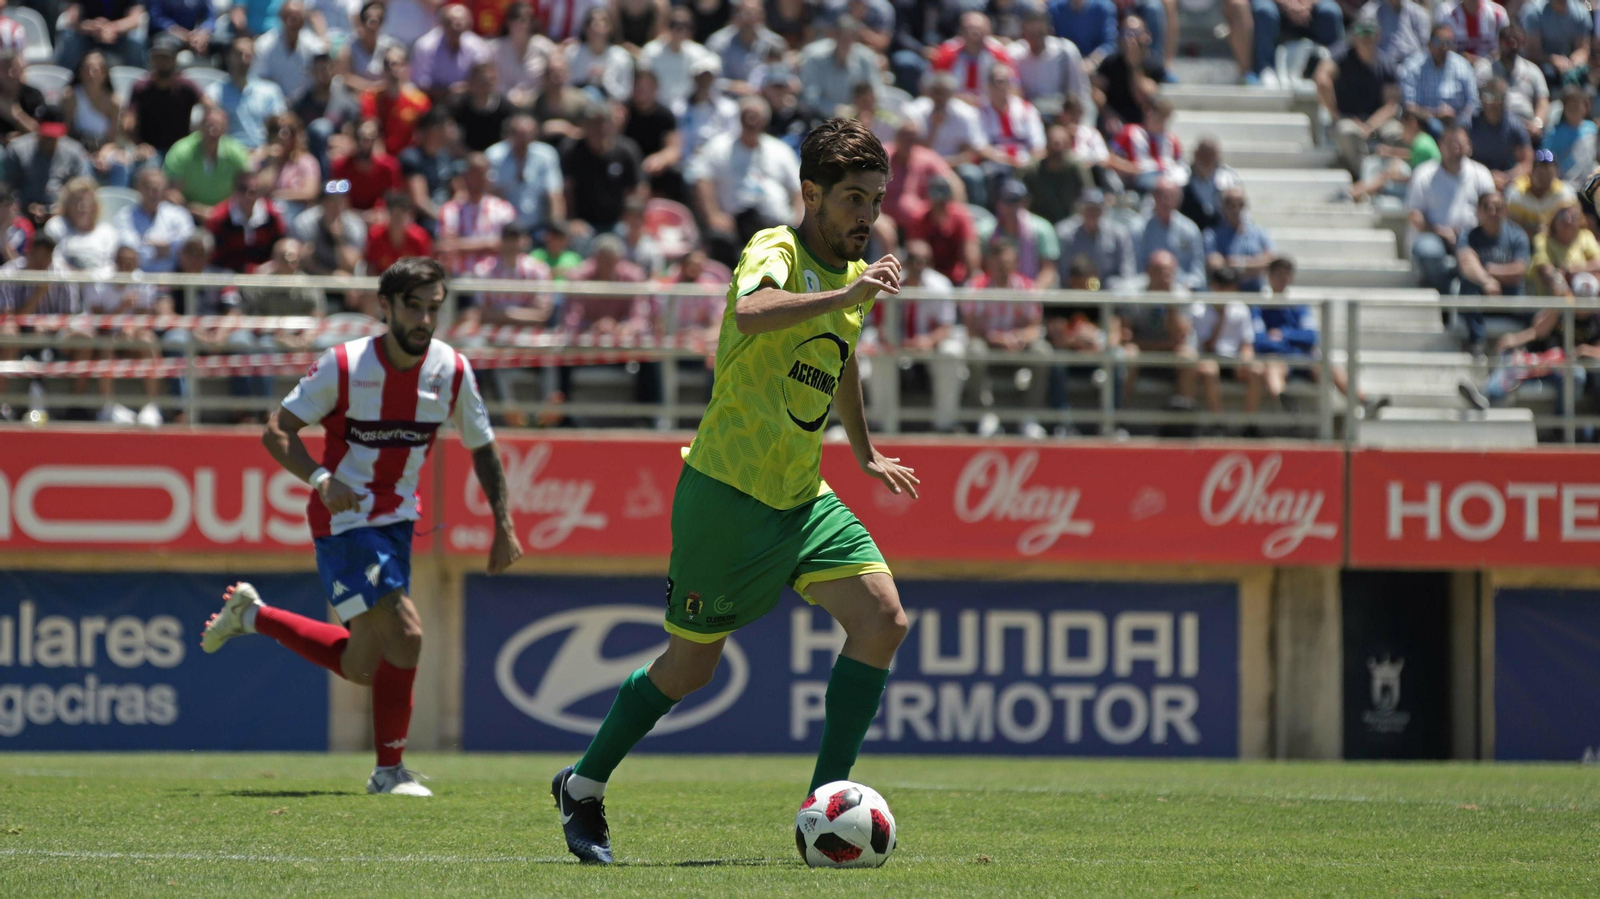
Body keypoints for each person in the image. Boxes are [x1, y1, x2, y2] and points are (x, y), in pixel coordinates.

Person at [551, 118, 916, 864]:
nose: (867, 215)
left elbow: (841, 356)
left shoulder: (853, 277)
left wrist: (865, 451)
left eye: (876, 200)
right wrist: (845, 293)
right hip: (726, 492)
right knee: (691, 668)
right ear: (811, 194)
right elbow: (751, 312)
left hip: (802, 495)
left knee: (883, 620)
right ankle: (582, 785)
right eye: (852, 198)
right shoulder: (774, 248)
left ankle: (824, 805)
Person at [201, 256, 524, 797]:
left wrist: (504, 524)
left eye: (434, 308)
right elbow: (276, 431)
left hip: (398, 522)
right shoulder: (344, 365)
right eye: (413, 307)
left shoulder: (452, 370)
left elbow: (483, 447)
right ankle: (389, 772)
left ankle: (253, 615)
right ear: (385, 307)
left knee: (361, 664)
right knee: (408, 632)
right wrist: (321, 478)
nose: (425, 319)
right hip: (344, 519)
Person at [685, 96, 801, 266]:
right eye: (747, 114)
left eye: (756, 116)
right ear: (739, 117)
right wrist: (713, 214)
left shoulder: (780, 150)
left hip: (776, 225)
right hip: (735, 227)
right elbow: (702, 179)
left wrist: (798, 221)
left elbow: (798, 189)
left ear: (765, 120)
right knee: (718, 242)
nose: (751, 120)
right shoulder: (719, 147)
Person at [965, 235, 1051, 437]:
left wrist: (1019, 337)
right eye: (998, 264)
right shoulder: (976, 287)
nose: (1003, 268)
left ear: (1016, 263)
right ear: (990, 263)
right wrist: (996, 338)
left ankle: (1030, 417)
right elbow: (971, 328)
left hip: (1018, 346)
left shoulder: (1028, 287)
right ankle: (985, 416)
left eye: (1007, 263)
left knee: (1043, 351)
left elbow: (1035, 327)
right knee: (974, 350)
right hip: (988, 344)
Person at [1406, 123, 1495, 293]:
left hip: (1472, 237)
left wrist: (1471, 234)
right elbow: (1414, 216)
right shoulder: (1423, 174)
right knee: (1428, 252)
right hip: (1433, 236)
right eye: (1450, 144)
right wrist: (1439, 231)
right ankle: (1444, 294)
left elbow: (1492, 209)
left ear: (1469, 147)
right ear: (1440, 146)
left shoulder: (1481, 174)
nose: (1455, 148)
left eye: (1459, 144)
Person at [1316, 16, 1401, 177]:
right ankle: (1365, 177)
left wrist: (1369, 126)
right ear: (1354, 36)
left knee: (1396, 132)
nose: (1365, 37)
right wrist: (1336, 116)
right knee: (1346, 131)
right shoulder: (1341, 55)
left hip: (1376, 120)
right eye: (1361, 32)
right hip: (1347, 118)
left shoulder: (1386, 64)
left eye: (1370, 32)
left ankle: (1389, 176)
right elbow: (1321, 80)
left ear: (1378, 36)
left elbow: (1391, 105)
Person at [1457, 189, 1530, 353]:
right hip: (1481, 299)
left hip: (1511, 299)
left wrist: (1489, 269)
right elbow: (1466, 262)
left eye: (1498, 207)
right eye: (1486, 207)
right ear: (1478, 211)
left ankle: (1532, 351)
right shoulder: (1469, 236)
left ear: (1506, 211)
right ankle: (1476, 344)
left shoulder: (1517, 235)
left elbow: (1519, 270)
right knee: (1468, 287)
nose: (1492, 212)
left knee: (1540, 309)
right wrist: (1486, 281)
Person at [561, 101, 644, 235]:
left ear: (611, 125)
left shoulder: (627, 150)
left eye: (602, 123)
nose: (597, 129)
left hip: (618, 222)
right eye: (592, 124)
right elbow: (566, 190)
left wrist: (629, 219)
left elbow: (637, 190)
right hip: (583, 223)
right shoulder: (571, 151)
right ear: (584, 126)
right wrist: (571, 220)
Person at [2, 104, 92, 218]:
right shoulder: (17, 150)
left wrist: (63, 208)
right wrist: (25, 206)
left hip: (64, 216)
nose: (50, 139)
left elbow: (83, 187)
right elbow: (7, 188)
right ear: (38, 127)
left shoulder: (74, 151)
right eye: (46, 134)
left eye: (54, 135)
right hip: (23, 215)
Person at [163, 106, 253, 219]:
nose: (213, 131)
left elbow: (248, 185)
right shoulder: (181, 152)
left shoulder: (236, 152)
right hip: (187, 215)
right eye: (208, 125)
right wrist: (193, 210)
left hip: (226, 217)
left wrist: (219, 213)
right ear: (199, 127)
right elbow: (172, 192)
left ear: (226, 128)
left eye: (219, 126)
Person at [127, 36, 205, 161]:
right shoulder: (141, 88)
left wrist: (197, 138)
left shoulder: (186, 86)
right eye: (158, 57)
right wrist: (139, 145)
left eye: (166, 58)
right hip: (150, 152)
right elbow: (128, 124)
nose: (162, 62)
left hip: (181, 151)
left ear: (174, 60)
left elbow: (210, 107)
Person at [438, 151, 516, 274]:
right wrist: (488, 244)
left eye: (482, 174)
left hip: (494, 278)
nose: (479, 179)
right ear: (465, 177)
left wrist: (461, 245)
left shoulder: (503, 209)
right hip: (460, 278)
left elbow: (511, 244)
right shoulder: (449, 210)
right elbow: (446, 246)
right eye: (474, 174)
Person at [486, 112, 564, 232]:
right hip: (504, 229)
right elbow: (492, 195)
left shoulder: (546, 155)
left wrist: (556, 228)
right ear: (508, 134)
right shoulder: (494, 155)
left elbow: (555, 195)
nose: (523, 139)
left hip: (539, 227)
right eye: (518, 134)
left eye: (528, 134)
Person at [1399, 24, 1479, 134]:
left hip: (1457, 126)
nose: (1443, 47)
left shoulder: (1463, 66)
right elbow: (1409, 106)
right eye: (1438, 42)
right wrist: (1436, 114)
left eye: (1448, 43)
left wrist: (1458, 121)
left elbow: (1473, 103)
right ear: (1429, 44)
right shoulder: (1413, 67)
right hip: (1422, 127)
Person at [207, 170, 290, 273]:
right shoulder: (219, 218)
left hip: (265, 274)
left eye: (252, 191)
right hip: (226, 274)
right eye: (242, 189)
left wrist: (271, 266)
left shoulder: (272, 216)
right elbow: (213, 257)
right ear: (234, 191)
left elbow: (280, 247)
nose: (247, 195)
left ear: (259, 193)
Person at [115, 166, 193, 273]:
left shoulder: (179, 215)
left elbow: (187, 245)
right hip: (138, 277)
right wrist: (165, 248)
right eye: (148, 188)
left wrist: (146, 243)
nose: (153, 193)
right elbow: (128, 249)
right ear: (139, 189)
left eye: (157, 189)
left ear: (165, 190)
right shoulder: (125, 216)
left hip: (173, 277)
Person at [797, 15, 882, 113]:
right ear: (834, 36)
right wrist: (835, 109)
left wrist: (857, 110)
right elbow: (810, 97)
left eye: (851, 38)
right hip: (820, 117)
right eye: (842, 36)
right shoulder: (814, 57)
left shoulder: (866, 59)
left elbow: (876, 93)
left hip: (856, 117)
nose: (846, 42)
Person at [1010, 6, 1089, 109]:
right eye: (1031, 34)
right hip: (1028, 113)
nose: (1035, 39)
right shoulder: (1015, 54)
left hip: (1060, 112)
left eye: (1039, 34)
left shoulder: (1065, 51)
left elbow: (1080, 93)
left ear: (1049, 31)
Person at [639, 5, 717, 109]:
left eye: (685, 26)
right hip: (657, 108)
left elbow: (714, 68)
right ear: (666, 26)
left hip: (687, 109)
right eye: (674, 24)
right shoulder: (651, 51)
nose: (679, 30)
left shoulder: (698, 52)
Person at [1477, 24, 1547, 139]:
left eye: (1518, 42)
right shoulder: (1485, 69)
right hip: (1496, 126)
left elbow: (1543, 99)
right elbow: (1481, 101)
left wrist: (1537, 123)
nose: (1513, 46)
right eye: (1509, 42)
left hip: (1528, 126)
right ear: (1499, 42)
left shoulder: (1532, 70)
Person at [411, 3, 492, 101]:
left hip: (470, 101)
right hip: (435, 102)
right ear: (441, 23)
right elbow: (421, 86)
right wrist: (448, 92)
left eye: (459, 23)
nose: (454, 27)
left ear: (469, 23)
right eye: (449, 22)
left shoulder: (478, 47)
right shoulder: (425, 46)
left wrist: (465, 89)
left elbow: (485, 79)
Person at [253, 0, 327, 104]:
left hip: (306, 104)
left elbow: (322, 80)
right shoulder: (264, 45)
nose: (291, 21)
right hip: (272, 104)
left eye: (296, 17)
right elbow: (260, 79)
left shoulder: (316, 48)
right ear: (281, 17)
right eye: (287, 16)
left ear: (303, 20)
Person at [1058, 187, 1135, 285]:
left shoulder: (1119, 233)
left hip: (1110, 288)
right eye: (1088, 209)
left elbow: (1127, 270)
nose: (1092, 213)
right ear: (1080, 210)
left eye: (1097, 209)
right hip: (1078, 287)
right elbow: (1063, 273)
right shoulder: (1066, 235)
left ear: (1103, 210)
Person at [1140, 177, 1206, 291]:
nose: (1166, 200)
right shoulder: (1139, 228)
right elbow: (1134, 271)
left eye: (1171, 196)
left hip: (1181, 290)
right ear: (1153, 197)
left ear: (1179, 199)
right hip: (1146, 291)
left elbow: (1198, 274)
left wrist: (1178, 284)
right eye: (1161, 195)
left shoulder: (1190, 229)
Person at [1205, 187, 1275, 292]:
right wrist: (1255, 264)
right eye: (1231, 204)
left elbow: (1270, 261)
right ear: (1223, 206)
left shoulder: (1259, 232)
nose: (1236, 208)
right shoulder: (1212, 235)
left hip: (1256, 292)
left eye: (1240, 204)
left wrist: (1234, 263)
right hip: (1227, 293)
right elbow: (1215, 264)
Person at [1021, 123, 1092, 226]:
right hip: (1039, 222)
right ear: (1047, 145)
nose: (1058, 148)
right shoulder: (1032, 170)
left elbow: (1088, 195)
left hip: (1070, 223)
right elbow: (1022, 201)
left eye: (1063, 143)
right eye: (1055, 144)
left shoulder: (1076, 169)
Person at [293, 178, 366, 276]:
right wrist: (330, 275)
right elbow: (303, 262)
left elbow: (352, 265)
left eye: (340, 200)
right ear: (322, 203)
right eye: (331, 200)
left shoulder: (355, 224)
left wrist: (339, 240)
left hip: (346, 277)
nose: (336, 205)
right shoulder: (306, 222)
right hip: (313, 277)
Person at [705, 0, 786, 86]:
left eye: (756, 14)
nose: (750, 19)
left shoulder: (775, 43)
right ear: (735, 16)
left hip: (765, 93)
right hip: (728, 93)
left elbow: (782, 77)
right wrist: (735, 86)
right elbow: (711, 80)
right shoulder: (718, 43)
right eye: (746, 14)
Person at [1467, 79, 1530, 190]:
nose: (1495, 103)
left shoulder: (1515, 125)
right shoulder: (1469, 124)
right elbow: (1461, 160)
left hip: (1507, 183)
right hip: (1475, 180)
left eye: (1500, 97)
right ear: (1481, 98)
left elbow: (1527, 162)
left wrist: (1508, 177)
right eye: (1490, 97)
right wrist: (1485, 176)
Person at [566, 4, 634, 103]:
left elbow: (624, 95)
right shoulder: (572, 53)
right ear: (586, 28)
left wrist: (605, 80)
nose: (597, 27)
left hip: (610, 107)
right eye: (593, 22)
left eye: (603, 22)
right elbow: (565, 89)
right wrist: (586, 78)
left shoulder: (622, 57)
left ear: (610, 28)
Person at [56, 0, 146, 70]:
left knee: (135, 41)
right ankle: (64, 83)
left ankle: (137, 84)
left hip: (118, 36)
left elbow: (135, 18)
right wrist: (92, 27)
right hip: (87, 34)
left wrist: (112, 28)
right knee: (69, 38)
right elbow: (73, 18)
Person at [1505, 147, 1574, 236]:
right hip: (1523, 240)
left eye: (1548, 173)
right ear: (1531, 172)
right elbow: (1512, 226)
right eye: (1540, 173)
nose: (1544, 177)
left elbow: (1573, 222)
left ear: (1556, 174)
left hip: (1554, 240)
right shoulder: (1517, 192)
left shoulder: (1564, 193)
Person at [1520, 0, 1589, 83]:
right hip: (1542, 69)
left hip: (1569, 68)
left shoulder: (1581, 13)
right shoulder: (1534, 13)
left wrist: (1574, 61)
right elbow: (1532, 53)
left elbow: (1583, 49)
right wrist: (1552, 60)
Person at [365, 189, 432, 274]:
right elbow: (371, 267)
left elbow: (424, 268)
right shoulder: (375, 236)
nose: (396, 220)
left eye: (400, 216)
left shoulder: (420, 238)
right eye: (393, 215)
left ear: (408, 216)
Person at [1181, 137, 1241, 232]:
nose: (1207, 159)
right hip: (1188, 231)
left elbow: (1240, 207)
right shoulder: (1182, 177)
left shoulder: (1229, 179)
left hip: (1221, 232)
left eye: (1211, 154)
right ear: (1195, 154)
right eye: (1203, 153)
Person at [1436, 0, 1508, 61]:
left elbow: (1505, 48)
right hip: (1455, 65)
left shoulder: (1498, 14)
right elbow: (1437, 46)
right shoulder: (1445, 13)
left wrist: (1481, 61)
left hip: (1490, 65)